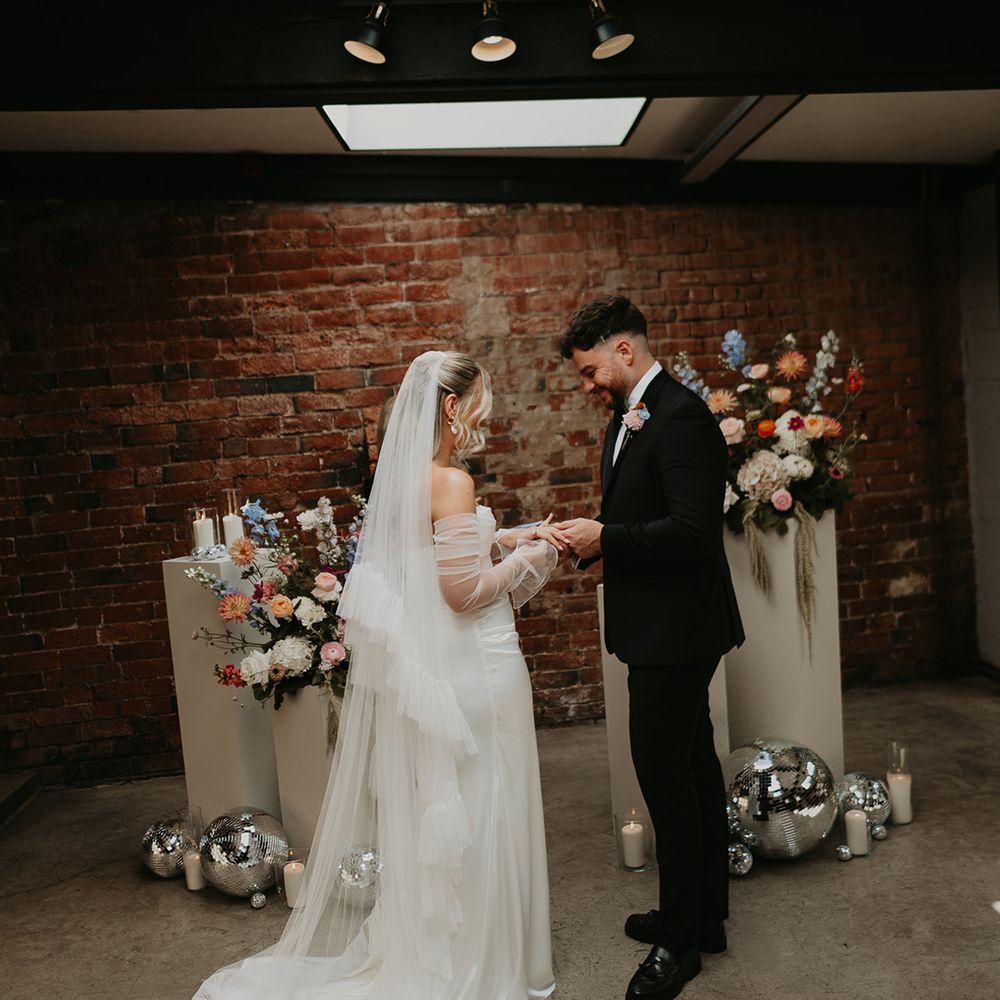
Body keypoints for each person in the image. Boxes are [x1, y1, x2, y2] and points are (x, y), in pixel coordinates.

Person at [193, 351, 566, 1000]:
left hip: (450, 670)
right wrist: (533, 556)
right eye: (480, 399)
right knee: (491, 805)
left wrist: (512, 536)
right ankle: (491, 961)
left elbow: (438, 557)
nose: (488, 412)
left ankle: (462, 946)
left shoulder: (411, 480)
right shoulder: (452, 481)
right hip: (478, 663)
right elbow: (462, 590)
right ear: (452, 407)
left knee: (473, 807)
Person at [555, 296, 744, 1000]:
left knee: (664, 775)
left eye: (589, 370)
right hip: (658, 626)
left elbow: (694, 532)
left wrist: (605, 538)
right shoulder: (631, 417)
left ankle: (680, 945)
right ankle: (704, 918)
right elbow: (638, 515)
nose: (587, 385)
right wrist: (585, 537)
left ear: (624, 351)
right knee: (692, 767)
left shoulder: (683, 417)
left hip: (679, 631)